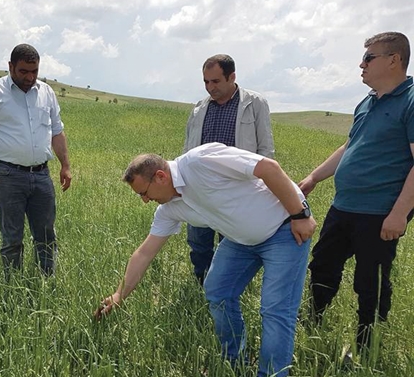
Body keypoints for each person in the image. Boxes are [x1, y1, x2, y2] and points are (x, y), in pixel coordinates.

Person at [96, 143, 316, 377]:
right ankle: (234, 360)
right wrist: (120, 294)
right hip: (239, 240)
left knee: (275, 309)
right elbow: (144, 253)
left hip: (285, 228)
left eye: (144, 193)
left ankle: (271, 374)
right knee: (218, 291)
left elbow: (268, 168)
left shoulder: (199, 161)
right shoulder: (169, 209)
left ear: (160, 177)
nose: (145, 200)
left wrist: (299, 214)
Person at [299, 31, 414, 357]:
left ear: (394, 60)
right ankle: (311, 327)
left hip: (379, 212)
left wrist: (399, 213)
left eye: (368, 58)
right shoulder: (367, 101)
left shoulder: (411, 100)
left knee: (371, 284)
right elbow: (349, 145)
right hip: (344, 206)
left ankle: (366, 351)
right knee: (322, 267)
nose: (360, 65)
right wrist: (314, 177)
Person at [0, 44, 71, 278]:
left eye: (34, 71)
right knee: (12, 237)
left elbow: (57, 131)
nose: (29, 77)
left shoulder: (46, 92)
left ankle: (46, 282)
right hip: (8, 176)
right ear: (10, 67)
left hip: (41, 175)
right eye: (23, 71)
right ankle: (11, 286)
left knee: (46, 235)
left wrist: (66, 166)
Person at [182, 54, 274, 284]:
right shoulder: (199, 108)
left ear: (232, 76)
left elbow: (265, 147)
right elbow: (188, 147)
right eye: (206, 82)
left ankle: (229, 284)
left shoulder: (254, 104)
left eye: (215, 81)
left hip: (238, 187)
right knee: (198, 240)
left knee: (232, 241)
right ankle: (201, 280)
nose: (210, 87)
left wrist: (261, 186)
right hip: (201, 187)